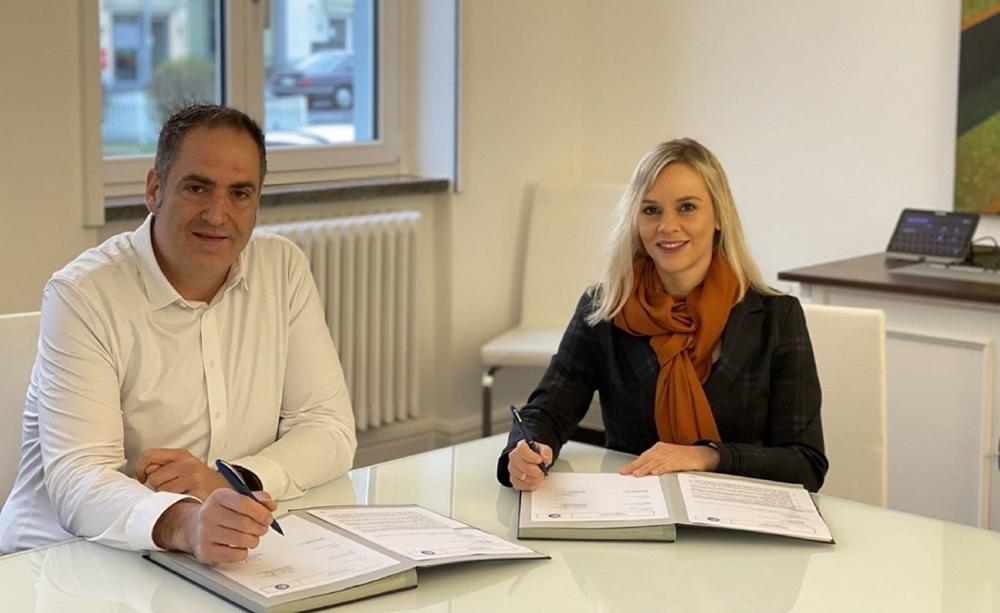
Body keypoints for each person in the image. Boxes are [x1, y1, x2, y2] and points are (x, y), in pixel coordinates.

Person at [0, 105, 357, 563]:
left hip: (199, 557)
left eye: (240, 193)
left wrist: (230, 481)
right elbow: (80, 476)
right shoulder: (83, 294)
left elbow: (328, 428)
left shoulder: (282, 269)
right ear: (155, 189)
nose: (217, 214)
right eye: (196, 187)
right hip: (59, 561)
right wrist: (186, 522)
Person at [499, 138, 826, 493]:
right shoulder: (604, 308)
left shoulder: (777, 316)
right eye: (651, 210)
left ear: (719, 217)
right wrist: (525, 450)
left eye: (686, 207)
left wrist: (707, 456)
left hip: (742, 515)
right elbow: (547, 411)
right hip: (637, 505)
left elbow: (805, 463)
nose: (667, 226)